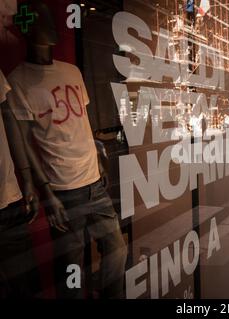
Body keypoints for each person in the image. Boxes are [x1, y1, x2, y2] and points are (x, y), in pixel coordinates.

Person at [7, 1, 127, 298]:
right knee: (70, 272)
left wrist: (99, 156)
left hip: (94, 184)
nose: (45, 35)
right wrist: (45, 192)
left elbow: (82, 122)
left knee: (117, 252)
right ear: (26, 31)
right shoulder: (17, 81)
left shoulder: (71, 71)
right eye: (37, 26)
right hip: (63, 190)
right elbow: (22, 140)